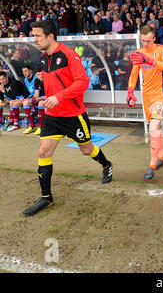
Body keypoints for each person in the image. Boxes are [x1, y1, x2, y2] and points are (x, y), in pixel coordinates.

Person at [22, 20, 113, 216]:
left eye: (37, 35)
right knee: (44, 152)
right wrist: (48, 97)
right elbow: (53, 84)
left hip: (73, 115)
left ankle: (107, 165)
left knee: (87, 150)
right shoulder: (44, 57)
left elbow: (83, 82)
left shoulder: (69, 55)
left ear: (50, 36)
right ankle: (46, 198)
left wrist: (58, 97)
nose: (34, 39)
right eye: (33, 35)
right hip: (53, 116)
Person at [127, 25, 163, 179]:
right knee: (156, 128)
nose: (145, 43)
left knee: (153, 127)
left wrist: (150, 60)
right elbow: (134, 75)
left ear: (154, 38)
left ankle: (152, 165)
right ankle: (162, 158)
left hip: (161, 94)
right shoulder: (138, 52)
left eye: (148, 41)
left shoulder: (162, 50)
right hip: (146, 95)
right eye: (142, 41)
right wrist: (130, 91)